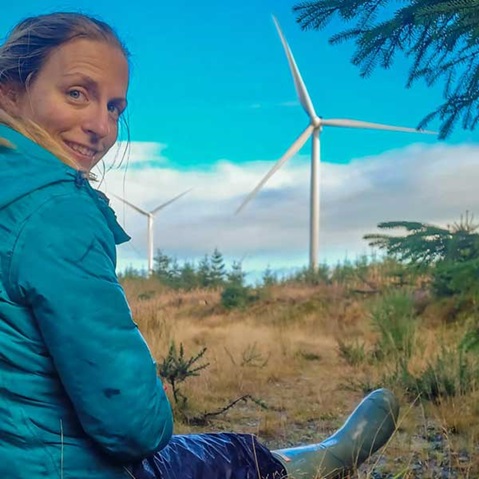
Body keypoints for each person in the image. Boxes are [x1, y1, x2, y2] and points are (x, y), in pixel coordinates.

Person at [0, 12, 399, 479]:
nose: (100, 126)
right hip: (62, 466)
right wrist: (150, 399)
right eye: (76, 93)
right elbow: (131, 427)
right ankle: (319, 460)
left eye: (114, 107)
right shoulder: (57, 212)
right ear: (10, 90)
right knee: (230, 457)